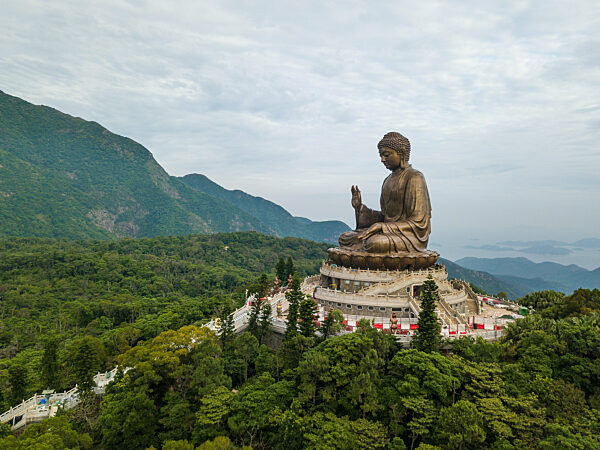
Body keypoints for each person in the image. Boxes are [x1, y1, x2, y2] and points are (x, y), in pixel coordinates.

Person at [338, 132, 432, 254]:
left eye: (386, 155)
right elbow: (385, 216)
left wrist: (382, 227)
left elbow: (418, 222)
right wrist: (360, 208)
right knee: (345, 238)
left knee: (375, 243)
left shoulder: (414, 177)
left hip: (408, 237)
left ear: (402, 153)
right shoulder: (387, 180)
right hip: (390, 232)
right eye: (381, 155)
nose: (382, 159)